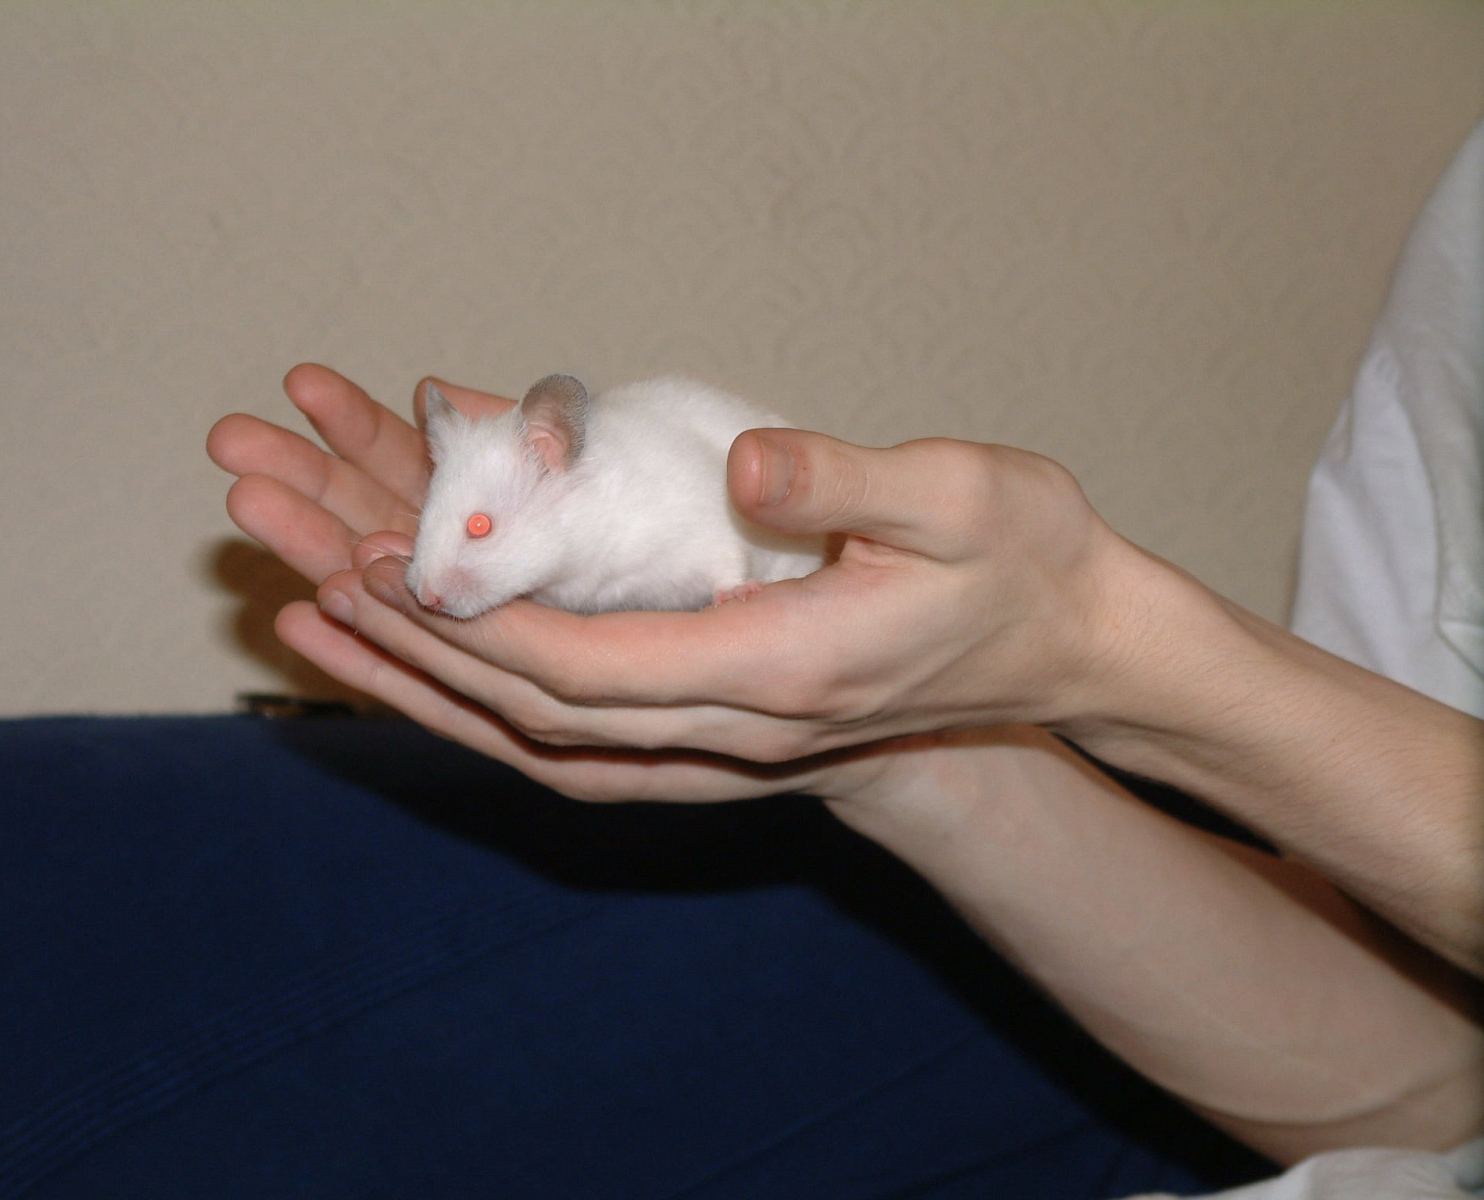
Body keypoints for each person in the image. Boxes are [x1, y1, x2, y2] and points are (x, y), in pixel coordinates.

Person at [207, 125, 1484, 1196]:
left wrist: (1099, 641)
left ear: (555, 453)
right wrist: (904, 738)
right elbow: (1440, 1086)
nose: (445, 571)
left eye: (475, 533)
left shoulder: (621, 484)